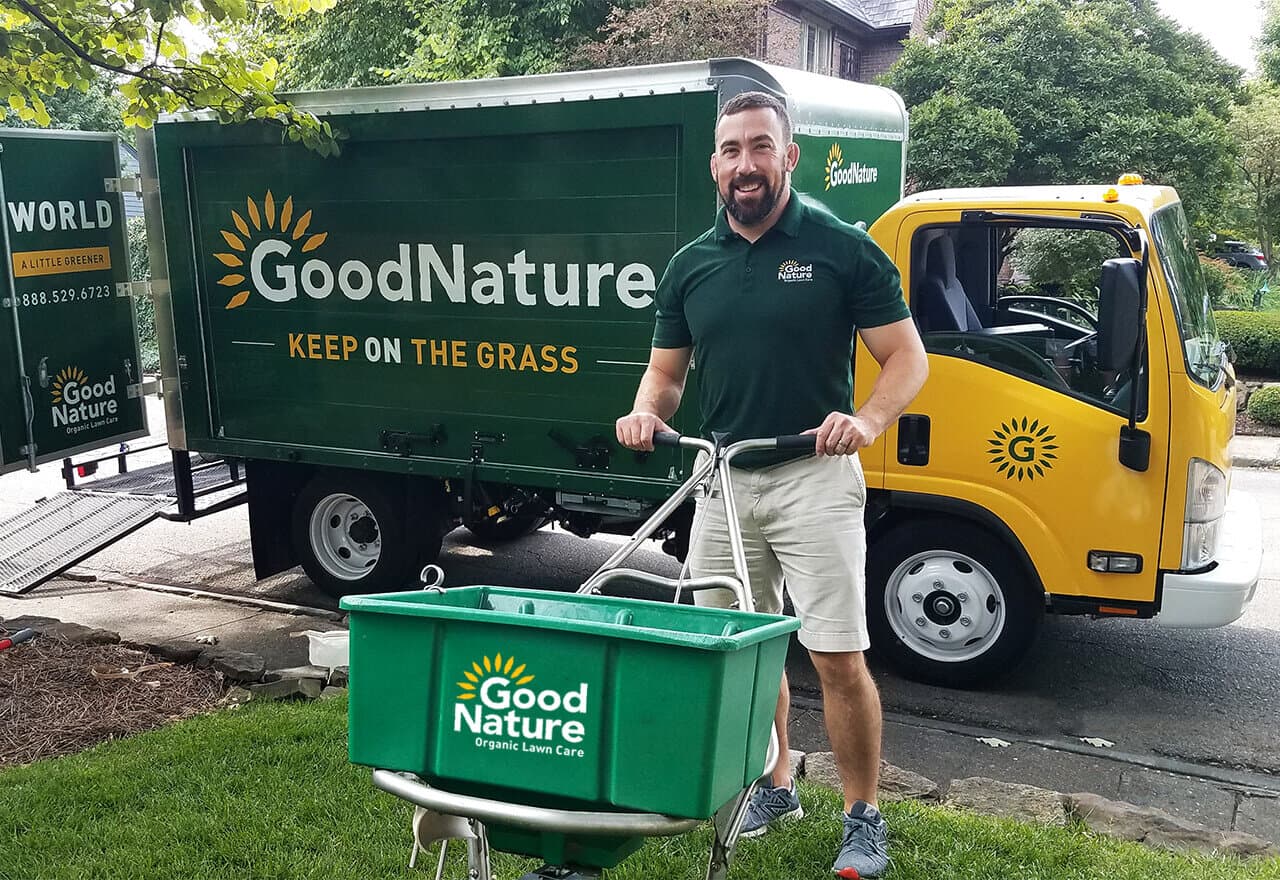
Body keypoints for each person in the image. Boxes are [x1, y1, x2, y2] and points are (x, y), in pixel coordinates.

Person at [615, 91, 928, 879]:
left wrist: (866, 421)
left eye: (760, 147)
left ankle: (863, 816)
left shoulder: (841, 247)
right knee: (739, 651)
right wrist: (645, 413)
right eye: (730, 151)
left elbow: (906, 359)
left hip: (813, 478)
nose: (744, 164)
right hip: (722, 477)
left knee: (834, 655)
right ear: (715, 164)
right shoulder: (692, 265)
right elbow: (664, 375)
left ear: (788, 157)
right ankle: (776, 781)